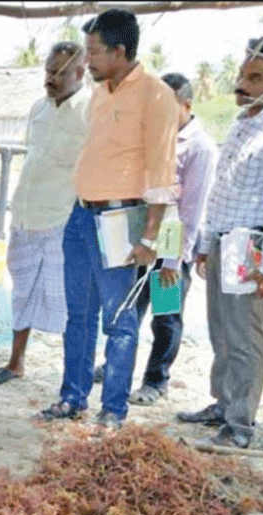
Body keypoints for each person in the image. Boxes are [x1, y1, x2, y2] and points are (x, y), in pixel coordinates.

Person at [36, 9, 179, 430]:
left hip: (122, 219)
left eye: (95, 53)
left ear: (120, 51)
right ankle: (72, 398)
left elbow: (161, 173)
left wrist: (151, 238)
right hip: (81, 216)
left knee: (120, 320)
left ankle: (112, 410)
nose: (88, 61)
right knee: (77, 315)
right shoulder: (99, 93)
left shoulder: (155, 96)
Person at [177, 37, 263, 448]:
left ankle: (240, 424)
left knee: (244, 334)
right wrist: (204, 242)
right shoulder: (242, 122)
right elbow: (223, 190)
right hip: (222, 242)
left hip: (250, 246)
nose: (242, 83)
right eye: (241, 75)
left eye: (255, 78)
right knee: (221, 330)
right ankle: (222, 403)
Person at [94, 73, 220, 405]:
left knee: (164, 315)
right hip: (144, 233)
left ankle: (156, 381)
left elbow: (192, 209)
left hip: (171, 237)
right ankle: (116, 364)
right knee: (128, 307)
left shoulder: (200, 148)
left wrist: (173, 260)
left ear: (186, 105)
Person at [0, 42, 90, 386]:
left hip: (165, 245)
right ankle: (16, 363)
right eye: (48, 71)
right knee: (23, 291)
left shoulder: (90, 111)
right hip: (28, 215)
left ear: (79, 73)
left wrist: (167, 247)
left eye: (60, 73)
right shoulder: (38, 109)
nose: (52, 79)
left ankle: (154, 376)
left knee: (164, 309)